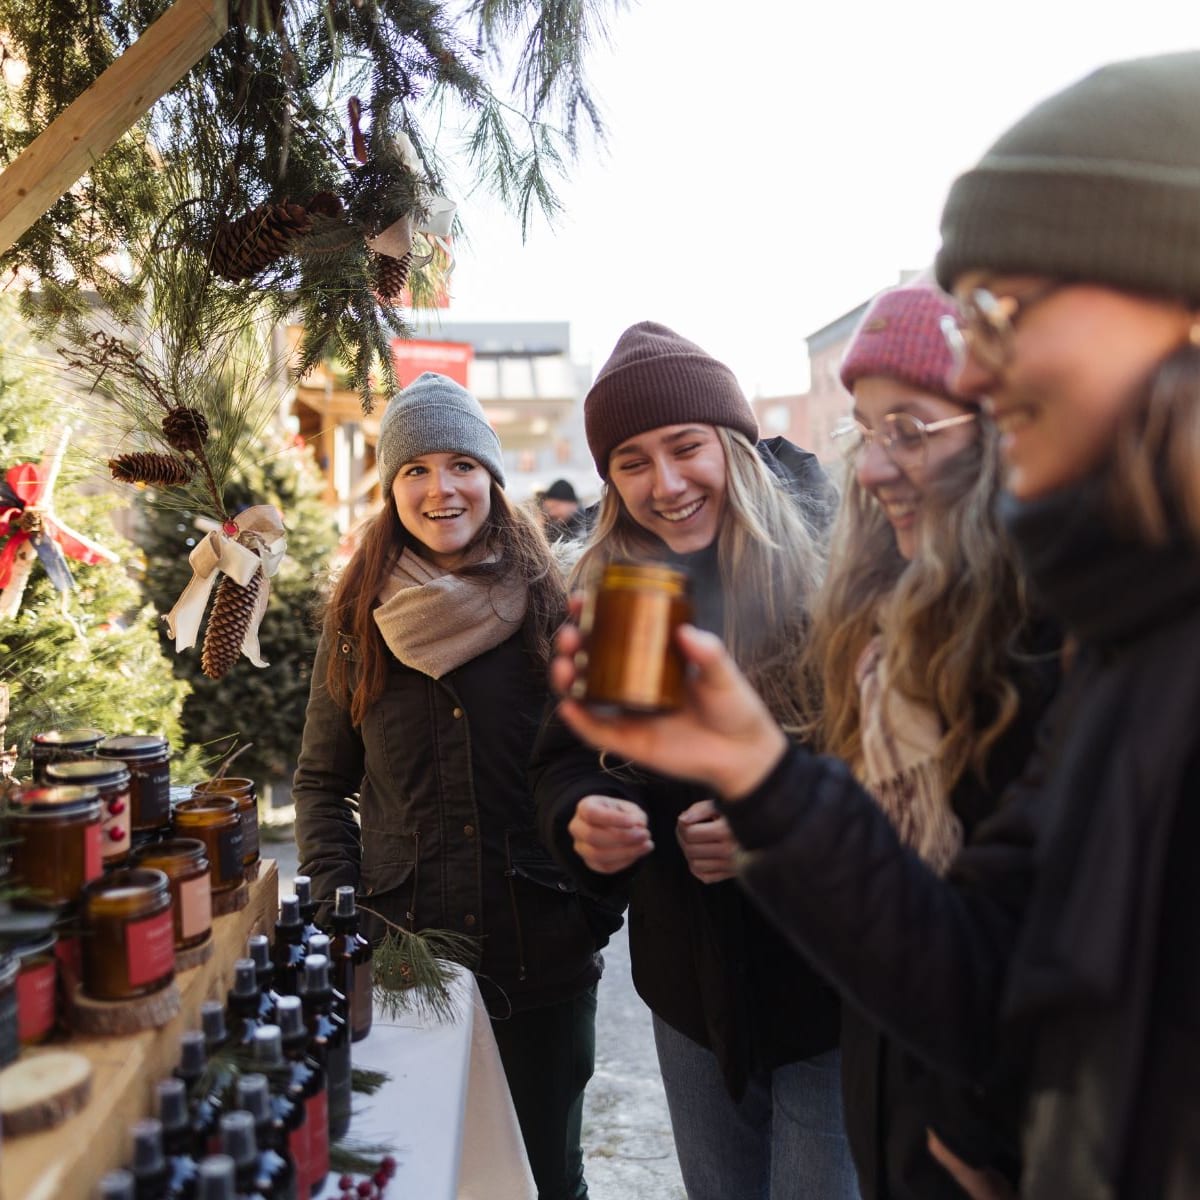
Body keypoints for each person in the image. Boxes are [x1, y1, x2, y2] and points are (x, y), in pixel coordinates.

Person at [545, 53, 1200, 1200]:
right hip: (729, 1011)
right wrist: (751, 775)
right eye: (629, 463)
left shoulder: (1059, 620)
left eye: (1003, 309)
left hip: (811, 1024)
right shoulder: (1125, 634)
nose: (977, 368)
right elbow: (991, 973)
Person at [532, 322, 859, 1200]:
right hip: (690, 992)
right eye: (632, 462)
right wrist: (582, 816)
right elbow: (569, 762)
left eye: (685, 448)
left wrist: (774, 828)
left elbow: (899, 775)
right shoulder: (624, 593)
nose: (665, 484)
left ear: (734, 446)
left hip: (831, 990)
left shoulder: (832, 571)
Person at [292, 372, 607, 1200]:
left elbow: (605, 766)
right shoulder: (357, 621)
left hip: (540, 958)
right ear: (392, 488)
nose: (442, 489)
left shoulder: (552, 608)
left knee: (545, 1180)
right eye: (416, 469)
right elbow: (321, 784)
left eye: (462, 464)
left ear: (492, 477)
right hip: (406, 964)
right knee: (424, 1179)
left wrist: (591, 913)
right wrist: (343, 920)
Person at [818, 283, 1059, 1198]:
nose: (875, 469)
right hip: (889, 1095)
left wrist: (985, 1129)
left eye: (910, 431)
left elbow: (1046, 932)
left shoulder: (1050, 636)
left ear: (996, 428)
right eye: (865, 434)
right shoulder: (875, 636)